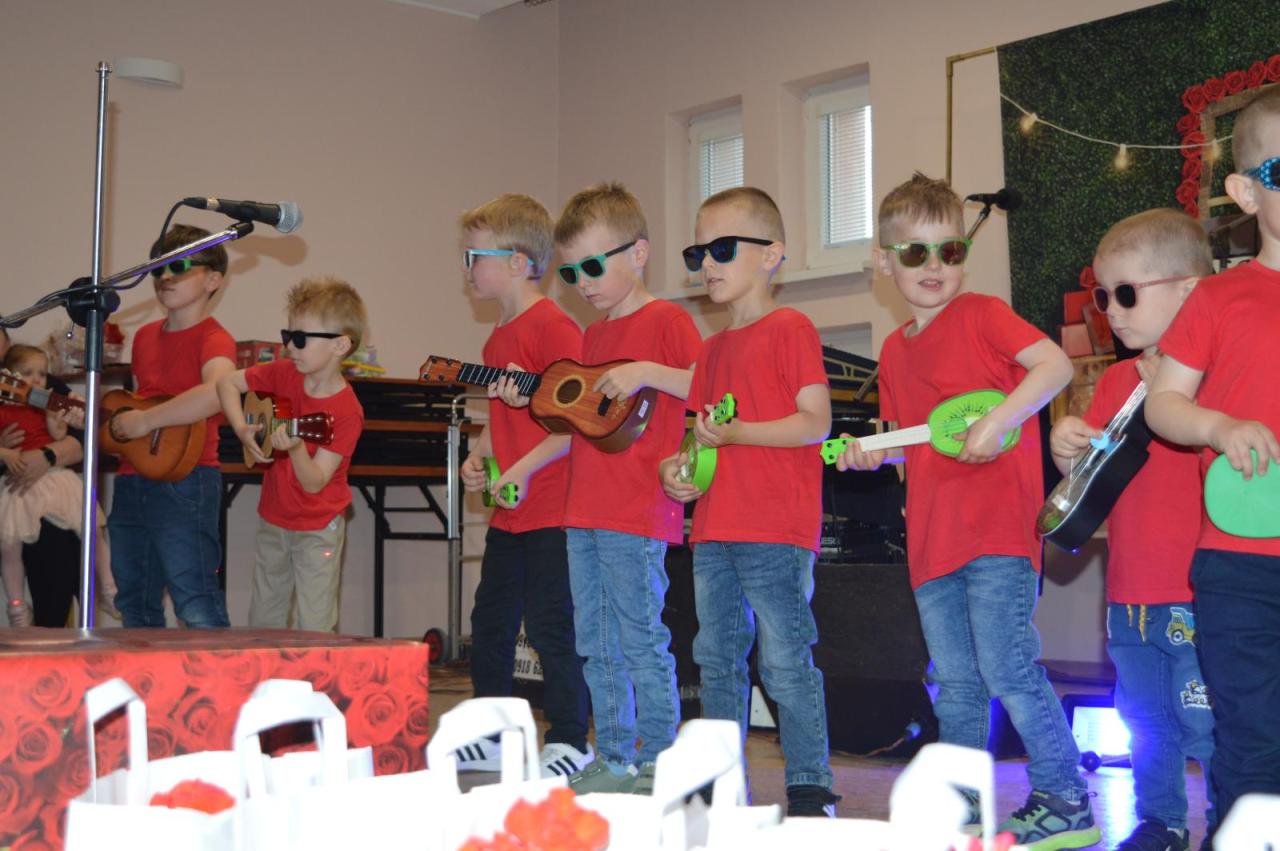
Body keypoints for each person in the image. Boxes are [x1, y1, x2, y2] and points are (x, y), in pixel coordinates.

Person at [835, 173, 1093, 848]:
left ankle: (1066, 796)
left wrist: (1002, 418)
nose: (934, 266)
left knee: (1008, 666)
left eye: (949, 251)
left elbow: (1054, 367)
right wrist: (869, 455)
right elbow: (913, 442)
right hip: (931, 541)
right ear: (884, 262)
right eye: (915, 252)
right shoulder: (894, 350)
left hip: (998, 532)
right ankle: (966, 805)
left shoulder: (982, 315)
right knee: (953, 680)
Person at [659, 186, 836, 817]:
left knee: (785, 661)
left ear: (772, 254)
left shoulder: (791, 328)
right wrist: (677, 470)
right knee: (714, 657)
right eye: (698, 252)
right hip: (713, 531)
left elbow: (815, 422)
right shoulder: (710, 351)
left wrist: (738, 434)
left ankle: (810, 785)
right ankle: (723, 781)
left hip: (775, 530)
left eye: (723, 248)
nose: (707, 263)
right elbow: (697, 438)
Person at [1050, 208, 1215, 851]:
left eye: (1125, 294)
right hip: (1127, 595)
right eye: (1102, 296)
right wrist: (1067, 450)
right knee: (1144, 720)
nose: (1111, 313)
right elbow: (1093, 479)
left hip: (1195, 592)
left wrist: (1179, 398)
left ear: (1189, 291)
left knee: (1206, 722)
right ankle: (1161, 821)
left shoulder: (1215, 374)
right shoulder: (1117, 379)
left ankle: (1234, 823)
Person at [1145, 87, 1280, 833]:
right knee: (1254, 738)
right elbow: (1164, 404)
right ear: (1246, 191)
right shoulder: (1219, 300)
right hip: (1240, 567)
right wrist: (1219, 425)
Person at [538, 181, 700, 795]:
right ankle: (613, 754)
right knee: (594, 640)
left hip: (637, 508)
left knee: (640, 636)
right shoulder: (593, 335)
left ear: (638, 253)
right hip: (583, 508)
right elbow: (582, 417)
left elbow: (706, 385)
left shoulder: (668, 320)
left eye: (593, 266)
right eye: (570, 272)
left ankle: (659, 754)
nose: (582, 283)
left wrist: (647, 372)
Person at [448, 193, 592, 779]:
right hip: (511, 510)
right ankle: (492, 735)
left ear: (516, 262)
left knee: (552, 624)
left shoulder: (554, 328)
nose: (465, 267)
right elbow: (501, 419)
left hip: (553, 507)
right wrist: (479, 455)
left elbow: (576, 424)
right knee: (491, 622)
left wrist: (522, 469)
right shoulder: (497, 338)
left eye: (473, 256)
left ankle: (569, 738)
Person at [218, 277, 366, 633]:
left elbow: (315, 482)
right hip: (274, 515)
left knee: (314, 621)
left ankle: (313, 670)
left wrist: (297, 448)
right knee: (263, 618)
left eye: (300, 339)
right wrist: (241, 427)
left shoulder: (346, 411)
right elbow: (226, 383)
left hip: (319, 526)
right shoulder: (284, 373)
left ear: (340, 344)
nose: (289, 347)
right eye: (288, 335)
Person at [107, 224, 236, 628]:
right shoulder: (144, 336)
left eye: (178, 266)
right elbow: (137, 404)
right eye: (158, 267)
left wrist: (145, 420)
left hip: (188, 480)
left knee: (194, 599)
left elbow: (216, 392)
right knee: (133, 599)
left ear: (213, 280)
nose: (165, 276)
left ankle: (217, 671)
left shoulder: (215, 339)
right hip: (132, 478)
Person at [0, 344, 113, 626]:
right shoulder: (5, 406)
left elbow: (66, 435)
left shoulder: (46, 399)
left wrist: (59, 418)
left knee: (91, 530)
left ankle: (109, 585)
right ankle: (17, 607)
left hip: (56, 483)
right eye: (28, 373)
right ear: (10, 374)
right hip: (21, 491)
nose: (37, 380)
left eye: (42, 373)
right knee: (10, 545)